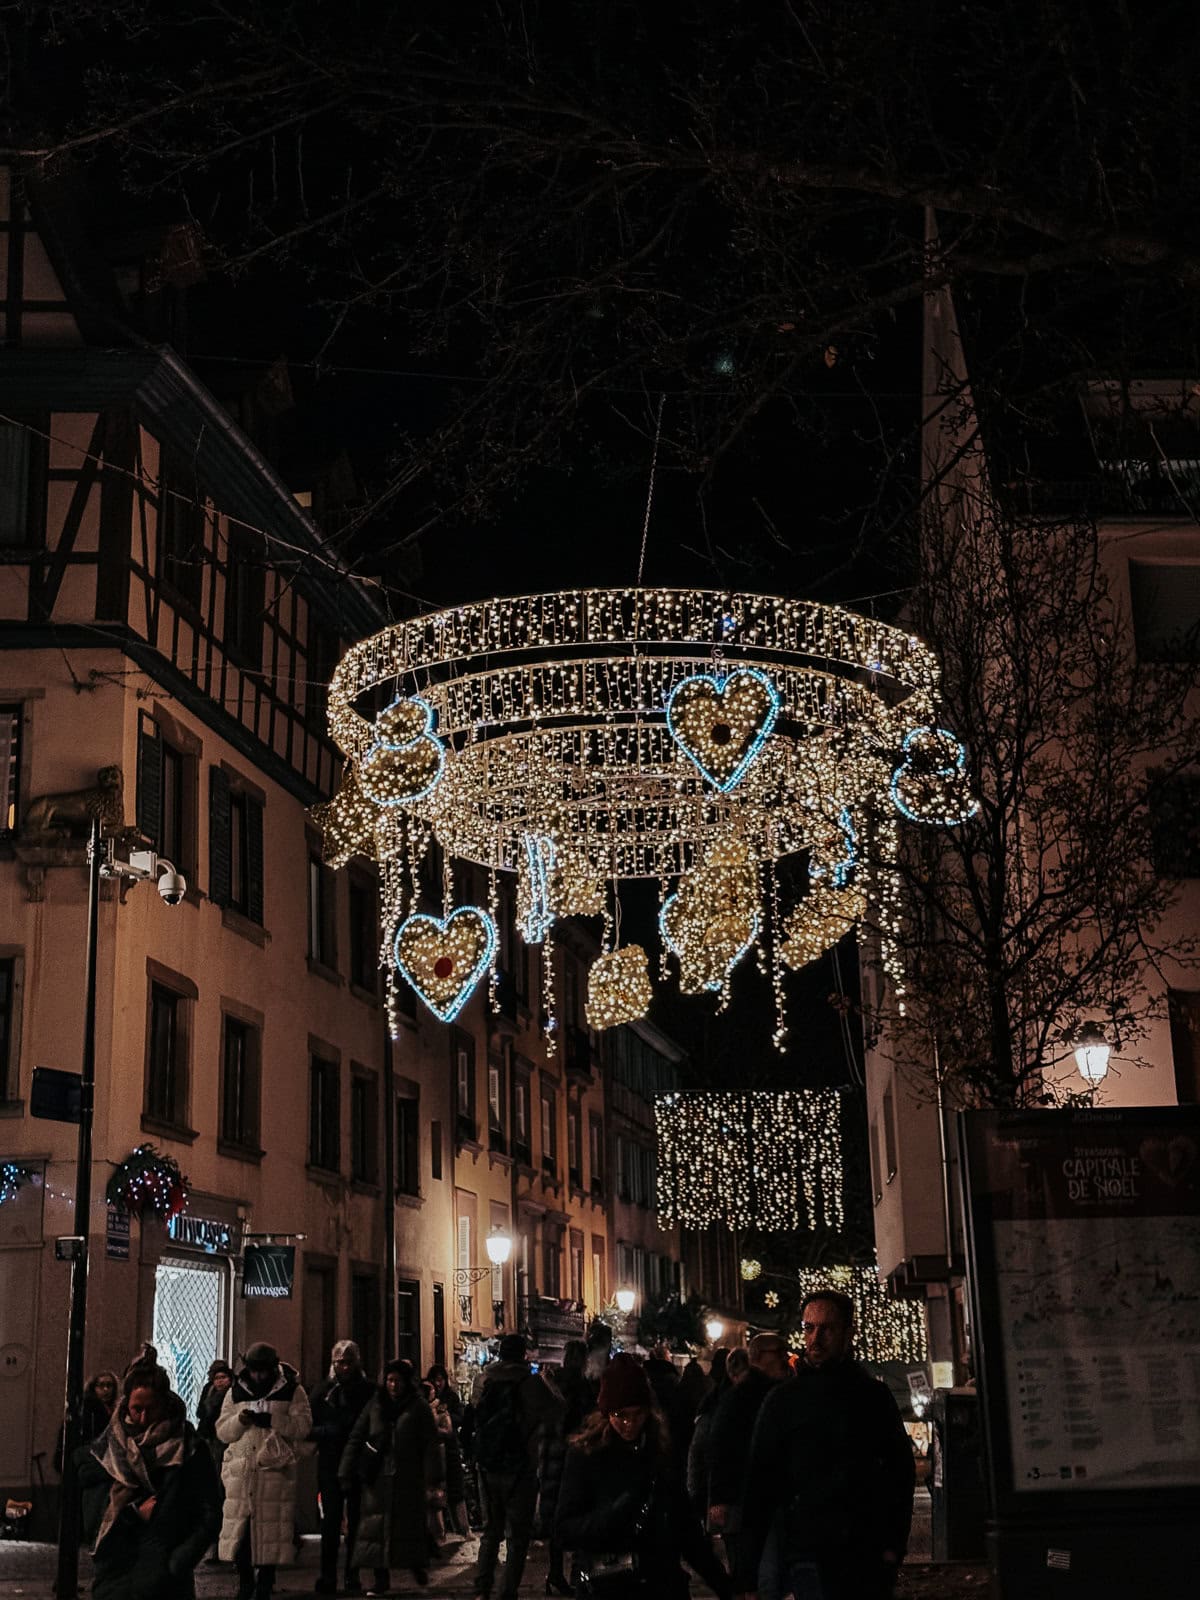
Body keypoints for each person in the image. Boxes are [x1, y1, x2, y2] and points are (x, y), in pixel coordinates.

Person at [733, 1292, 916, 1600]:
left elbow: (900, 1474)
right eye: (809, 1327)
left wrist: (892, 1547)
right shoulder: (784, 1400)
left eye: (827, 1328)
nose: (815, 1338)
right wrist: (746, 1573)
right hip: (809, 1550)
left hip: (864, 1551)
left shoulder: (871, 1397)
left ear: (848, 1332)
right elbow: (759, 1484)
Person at [554, 1352, 731, 1600]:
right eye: (621, 1415)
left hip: (661, 1583)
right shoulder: (586, 1455)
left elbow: (686, 1527)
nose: (630, 1423)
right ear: (606, 1413)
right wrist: (614, 1513)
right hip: (609, 1585)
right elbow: (565, 1529)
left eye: (637, 1414)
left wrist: (723, 1585)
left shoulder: (659, 1452)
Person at [79, 1362, 222, 1600]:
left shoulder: (190, 1448)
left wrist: (179, 1560)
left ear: (164, 1404)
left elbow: (209, 1511)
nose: (143, 1417)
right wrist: (133, 1513)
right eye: (137, 1409)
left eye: (151, 1409)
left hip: (165, 1578)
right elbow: (93, 1510)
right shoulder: (108, 1448)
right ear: (126, 1404)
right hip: (116, 1574)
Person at [471, 1332, 565, 1600]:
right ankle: (507, 1592)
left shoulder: (483, 1379)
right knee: (517, 1536)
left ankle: (481, 1589)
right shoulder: (532, 1383)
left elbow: (475, 1412)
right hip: (521, 1467)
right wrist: (549, 1382)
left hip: (488, 1465)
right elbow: (559, 1410)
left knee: (491, 1532)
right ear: (524, 1354)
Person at [216, 1341, 313, 1600]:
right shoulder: (236, 1391)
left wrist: (272, 1420)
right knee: (241, 1535)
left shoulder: (292, 1390)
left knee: (271, 1532)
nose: (258, 1376)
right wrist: (240, 1420)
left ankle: (265, 1584)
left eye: (263, 1371)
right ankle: (245, 1583)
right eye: (254, 1370)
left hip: (274, 1470)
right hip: (242, 1471)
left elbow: (302, 1426)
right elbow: (222, 1431)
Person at [339, 1358, 441, 1596]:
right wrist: (345, 1469)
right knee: (377, 1529)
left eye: (397, 1381)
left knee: (408, 1527)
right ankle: (380, 1579)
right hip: (377, 1476)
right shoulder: (376, 1404)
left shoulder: (418, 1407)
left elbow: (430, 1444)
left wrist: (433, 1478)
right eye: (389, 1380)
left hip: (408, 1477)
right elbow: (357, 1435)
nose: (393, 1385)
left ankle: (416, 1564)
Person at [707, 1334, 789, 1567]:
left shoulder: (771, 1392)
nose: (785, 1358)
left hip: (763, 1497)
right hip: (745, 1499)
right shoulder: (743, 1397)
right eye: (779, 1352)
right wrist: (720, 1497)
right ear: (758, 1356)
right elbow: (721, 1445)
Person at [310, 1338, 377, 1595]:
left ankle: (352, 1574)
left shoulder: (368, 1390)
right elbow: (308, 1426)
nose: (345, 1368)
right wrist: (328, 1432)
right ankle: (328, 1576)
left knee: (358, 1522)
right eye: (340, 1363)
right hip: (330, 1462)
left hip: (359, 1463)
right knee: (330, 1523)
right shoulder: (324, 1392)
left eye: (348, 1362)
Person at [54, 1369, 119, 1474]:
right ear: (94, 1387)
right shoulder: (88, 1408)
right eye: (101, 1385)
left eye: (109, 1385)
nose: (106, 1389)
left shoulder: (112, 1409)